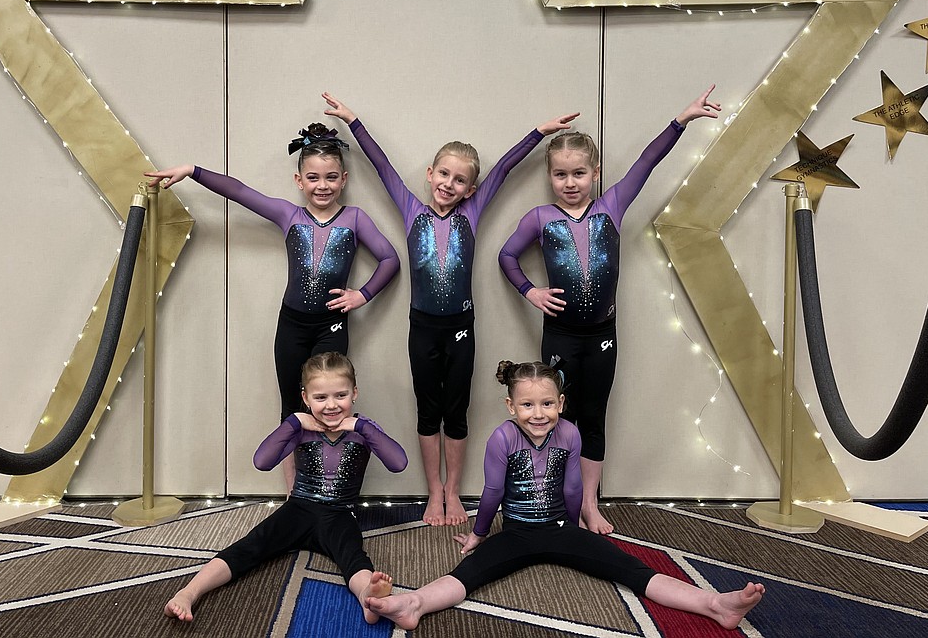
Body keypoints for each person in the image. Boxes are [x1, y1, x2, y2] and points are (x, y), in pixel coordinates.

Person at [322, 92, 577, 527]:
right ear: (429, 174)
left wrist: (538, 134)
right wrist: (354, 121)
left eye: (460, 180)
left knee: (455, 413)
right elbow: (382, 167)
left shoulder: (472, 214)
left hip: (461, 327)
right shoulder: (410, 210)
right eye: (443, 173)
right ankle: (434, 491)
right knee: (427, 411)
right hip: (421, 327)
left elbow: (503, 171)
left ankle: (454, 491)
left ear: (470, 190)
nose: (449, 184)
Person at [365, 360, 764, 631]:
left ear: (561, 403)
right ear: (510, 405)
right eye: (526, 405)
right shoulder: (503, 438)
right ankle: (413, 603)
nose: (538, 414)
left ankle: (715, 605)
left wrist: (573, 533)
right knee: (467, 575)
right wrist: (481, 535)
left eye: (547, 404)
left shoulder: (569, 433)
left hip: (558, 529)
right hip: (519, 533)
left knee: (631, 568)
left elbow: (573, 488)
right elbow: (492, 493)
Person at [496, 87, 720, 533]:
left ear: (595, 174)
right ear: (550, 177)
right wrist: (530, 291)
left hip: (601, 335)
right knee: (556, 418)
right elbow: (506, 255)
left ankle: (590, 505)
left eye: (579, 173)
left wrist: (682, 119)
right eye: (560, 175)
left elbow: (647, 162)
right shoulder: (540, 218)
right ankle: (558, 496)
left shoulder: (611, 207)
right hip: (559, 335)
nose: (570, 182)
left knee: (593, 417)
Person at [146, 124, 399, 490]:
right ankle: (296, 492)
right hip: (292, 326)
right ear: (299, 180)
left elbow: (390, 258)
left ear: (343, 179)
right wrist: (193, 171)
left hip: (331, 325)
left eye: (330, 177)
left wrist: (362, 294)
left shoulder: (355, 218)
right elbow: (240, 192)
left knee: (330, 407)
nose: (322, 185)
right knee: (294, 409)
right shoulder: (289, 216)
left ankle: (329, 488)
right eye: (313, 177)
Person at [164, 352, 408, 624]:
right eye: (320, 398)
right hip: (298, 509)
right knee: (252, 544)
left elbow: (398, 463)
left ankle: (368, 597)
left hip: (340, 513)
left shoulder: (362, 429)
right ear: (306, 398)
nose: (331, 406)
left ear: (354, 393)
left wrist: (361, 426)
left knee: (352, 553)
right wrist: (293, 422)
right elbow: (262, 461)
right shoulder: (301, 429)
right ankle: (189, 592)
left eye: (340, 395)